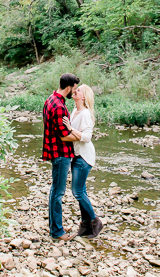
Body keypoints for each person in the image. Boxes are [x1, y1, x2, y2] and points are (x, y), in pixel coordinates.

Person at [62, 84, 103, 238]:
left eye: (78, 90)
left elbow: (86, 137)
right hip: (76, 155)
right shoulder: (74, 110)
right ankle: (85, 226)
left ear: (83, 96)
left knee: (77, 191)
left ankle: (95, 221)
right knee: (82, 191)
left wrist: (70, 129)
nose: (75, 91)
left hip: (84, 156)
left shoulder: (85, 113)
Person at [42, 73, 79, 241]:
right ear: (69, 87)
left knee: (55, 191)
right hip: (61, 153)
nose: (75, 92)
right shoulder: (59, 106)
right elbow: (64, 136)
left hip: (54, 151)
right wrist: (82, 136)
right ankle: (57, 231)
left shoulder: (51, 99)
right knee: (58, 192)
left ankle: (55, 227)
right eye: (75, 88)